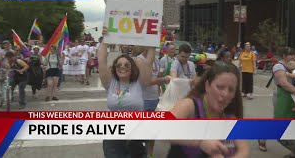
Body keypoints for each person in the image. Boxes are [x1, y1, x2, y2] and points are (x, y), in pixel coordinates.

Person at [167, 61, 250, 158]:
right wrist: (200, 141)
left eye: (231, 90)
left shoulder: (231, 118)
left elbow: (244, 150)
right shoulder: (189, 106)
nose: (225, 94)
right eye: (220, 87)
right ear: (207, 86)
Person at [99, 27, 156, 158]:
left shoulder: (140, 83)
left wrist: (153, 36)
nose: (122, 67)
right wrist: (105, 40)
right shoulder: (110, 83)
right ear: (115, 68)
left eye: (126, 65)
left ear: (132, 68)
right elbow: (102, 60)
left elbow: (149, 60)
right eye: (119, 65)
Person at [271, 47, 295, 157]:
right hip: (284, 100)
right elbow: (283, 83)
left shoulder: (294, 65)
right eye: (291, 55)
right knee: (281, 127)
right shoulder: (279, 66)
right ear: (285, 56)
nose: (294, 57)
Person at [137, 48, 170, 158]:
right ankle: (140, 152)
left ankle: (149, 154)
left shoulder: (156, 60)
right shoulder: (140, 60)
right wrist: (163, 80)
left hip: (154, 99)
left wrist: (160, 90)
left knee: (153, 130)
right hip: (143, 100)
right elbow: (145, 82)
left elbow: (158, 77)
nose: (154, 49)